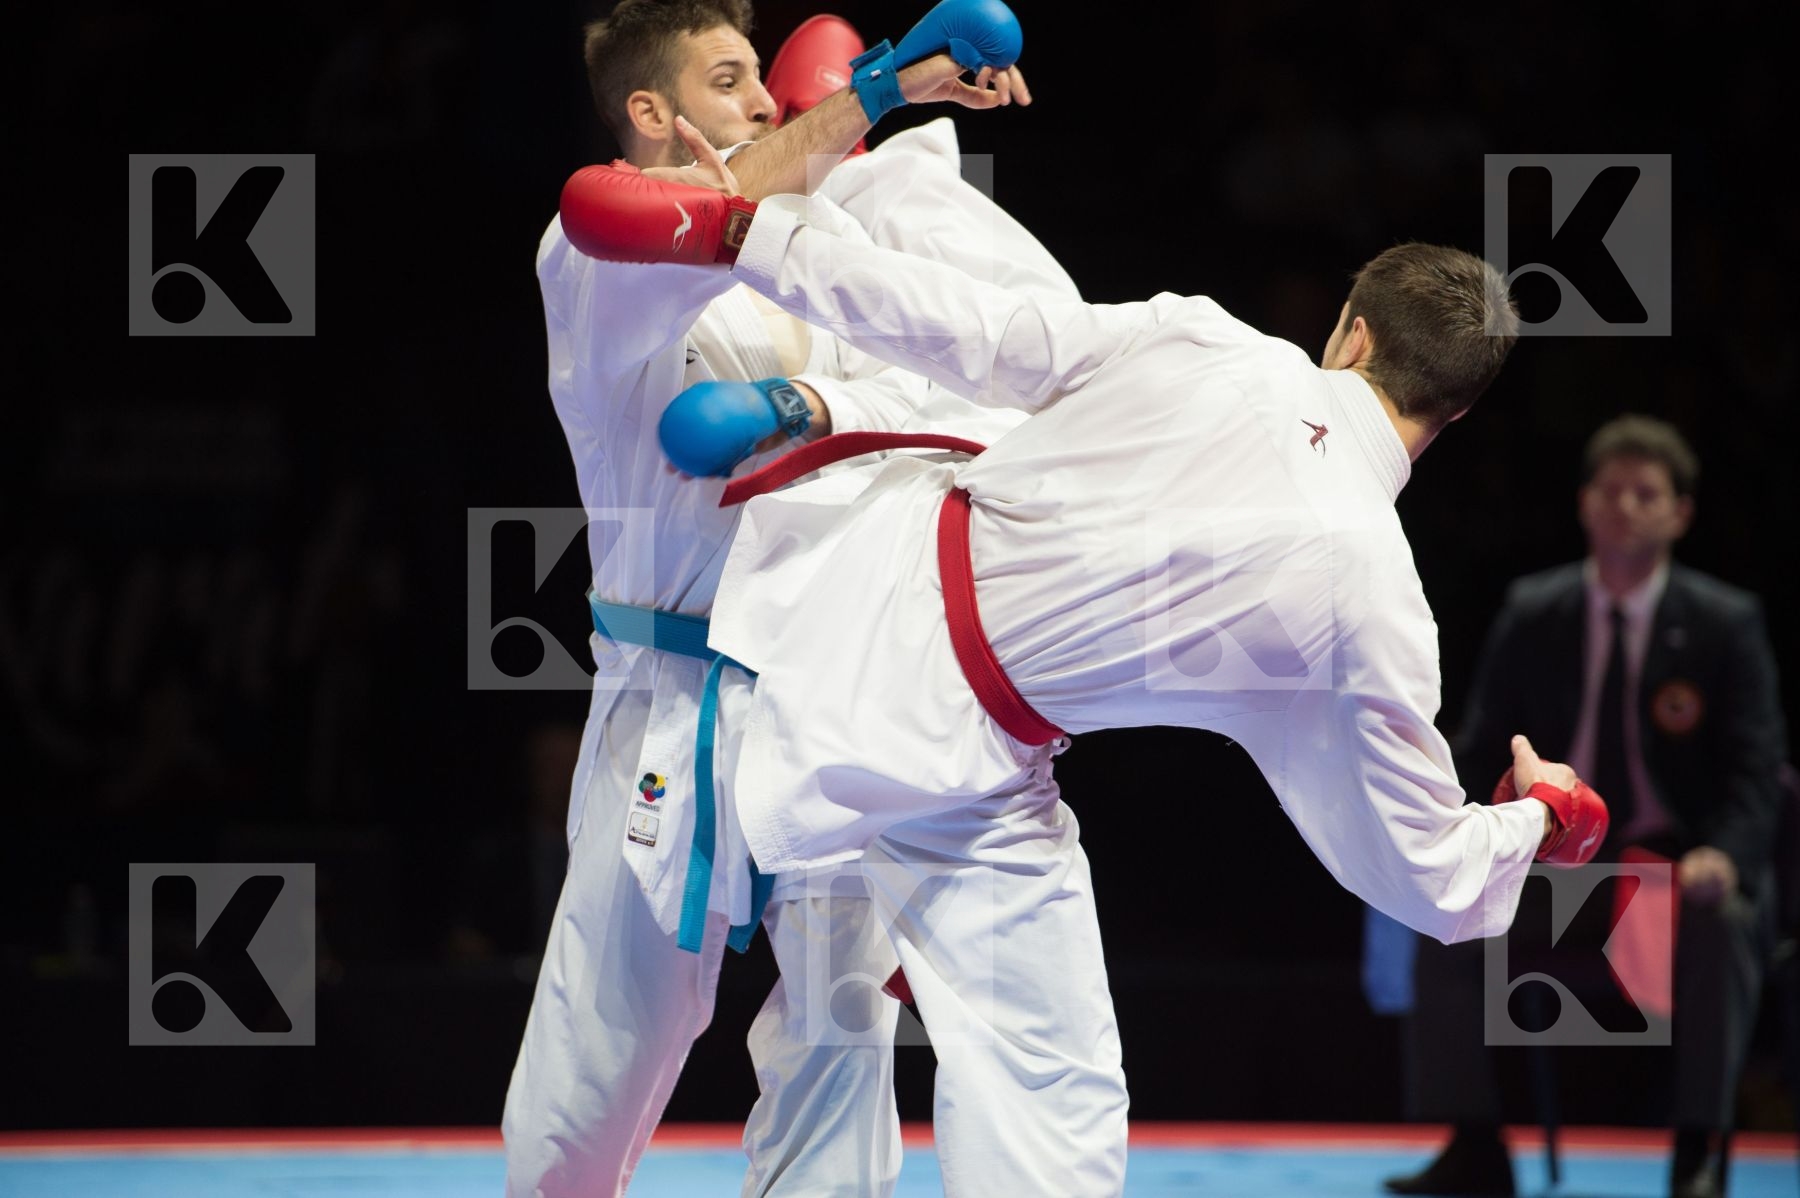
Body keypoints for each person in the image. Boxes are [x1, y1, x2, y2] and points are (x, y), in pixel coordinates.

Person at [561, 138, 1616, 1055]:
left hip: (846, 574)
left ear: (1351, 332)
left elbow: (975, 327)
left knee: (1010, 341)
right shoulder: (1377, 604)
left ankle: (863, 172)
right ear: (1461, 413)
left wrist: (754, 238)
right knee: (1045, 1094)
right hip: (946, 743)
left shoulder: (1211, 340)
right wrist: (1544, 816)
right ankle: (858, 195)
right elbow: (1426, 871)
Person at [499, 3, 1064, 1196]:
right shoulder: (591, 254)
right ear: (650, 115)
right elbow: (698, 222)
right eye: (726, 79)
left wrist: (816, 405)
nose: (764, 101)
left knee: (837, 1032)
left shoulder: (809, 257)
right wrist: (880, 85)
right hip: (670, 698)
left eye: (763, 77)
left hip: (828, 691)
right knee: (596, 1068)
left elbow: (961, 406)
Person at [1385, 415, 1788, 1198]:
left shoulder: (1723, 624)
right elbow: (1481, 746)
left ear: (1680, 514)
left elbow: (1757, 768)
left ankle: (1699, 1155)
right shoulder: (1536, 611)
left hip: (1670, 876)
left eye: (1648, 494)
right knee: (1443, 908)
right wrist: (1445, 823)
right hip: (1560, 874)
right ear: (1583, 505)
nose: (1627, 507)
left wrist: (1726, 855)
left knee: (1727, 915)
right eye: (1612, 490)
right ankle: (1474, 1148)